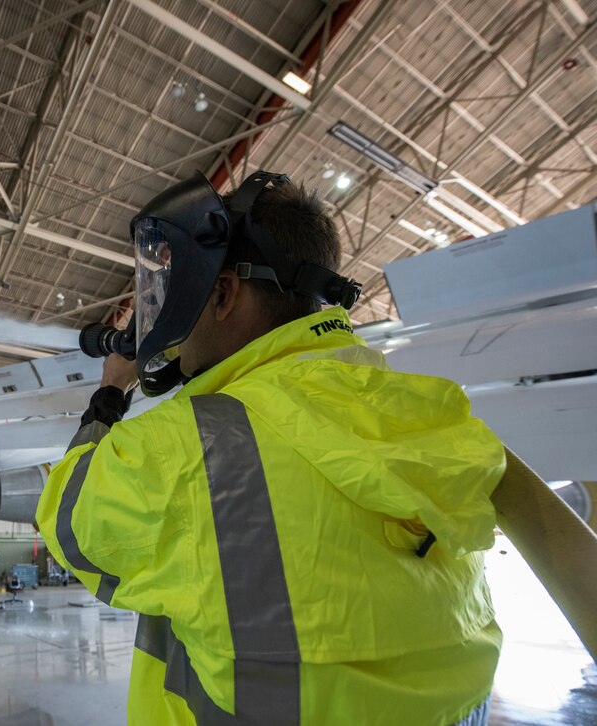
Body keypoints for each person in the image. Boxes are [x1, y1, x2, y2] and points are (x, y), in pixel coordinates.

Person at [35, 171, 504, 725]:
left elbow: (68, 522)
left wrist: (110, 393)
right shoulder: (425, 410)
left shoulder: (185, 445)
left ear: (225, 293)